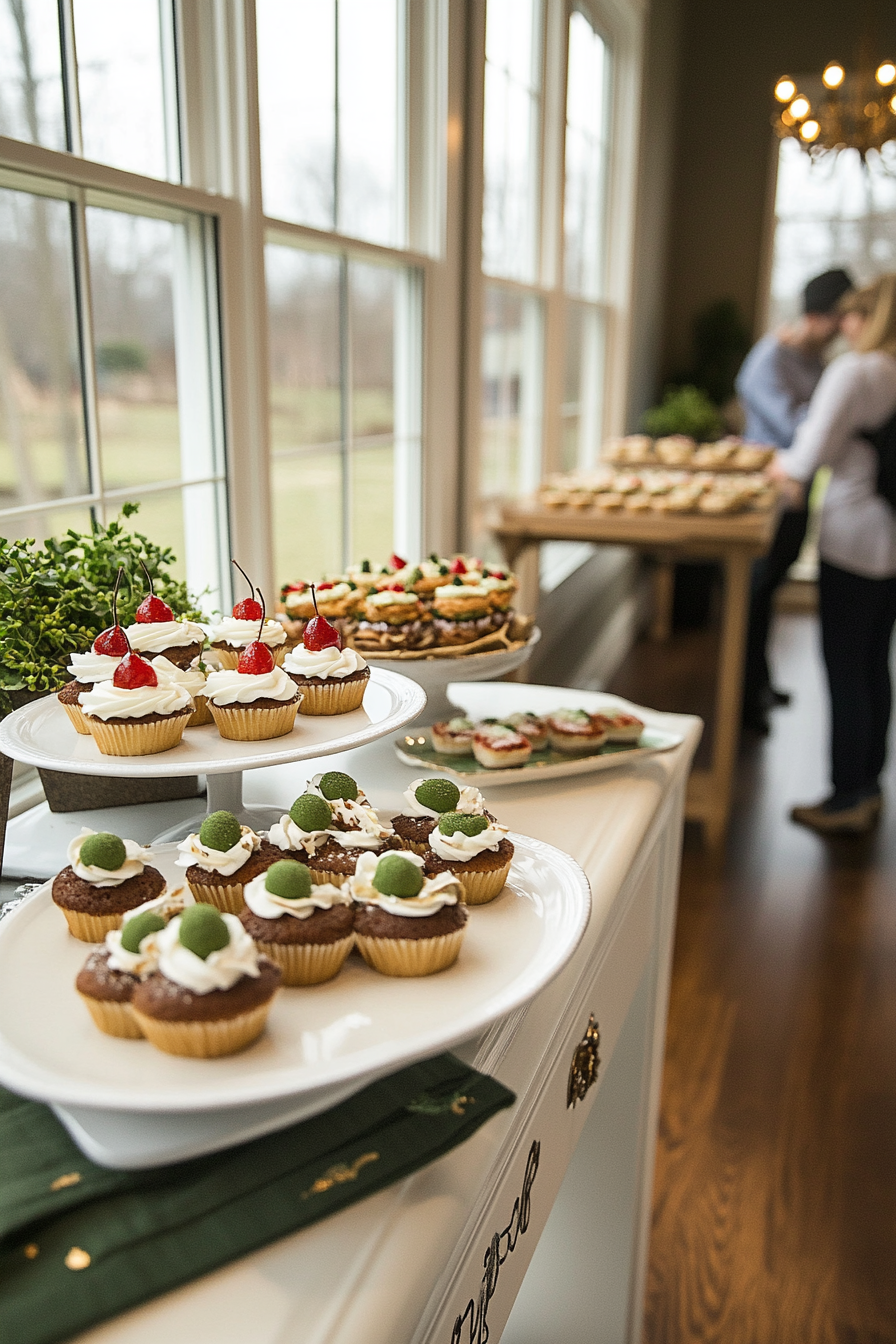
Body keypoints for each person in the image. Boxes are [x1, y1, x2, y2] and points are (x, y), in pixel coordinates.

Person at [776, 275, 896, 834]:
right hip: (891, 537)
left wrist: (772, 465)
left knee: (845, 666)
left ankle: (846, 798)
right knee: (875, 664)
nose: (843, 325)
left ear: (870, 317)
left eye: (853, 315)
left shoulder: (859, 371)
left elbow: (807, 459)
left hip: (853, 537)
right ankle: (867, 786)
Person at [736, 268, 854, 734]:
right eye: (841, 318)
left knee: (769, 594)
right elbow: (795, 430)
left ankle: (760, 681)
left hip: (797, 499)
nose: (844, 329)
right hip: (769, 500)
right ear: (818, 316)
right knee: (752, 597)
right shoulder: (769, 360)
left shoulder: (816, 362)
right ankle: (745, 702)